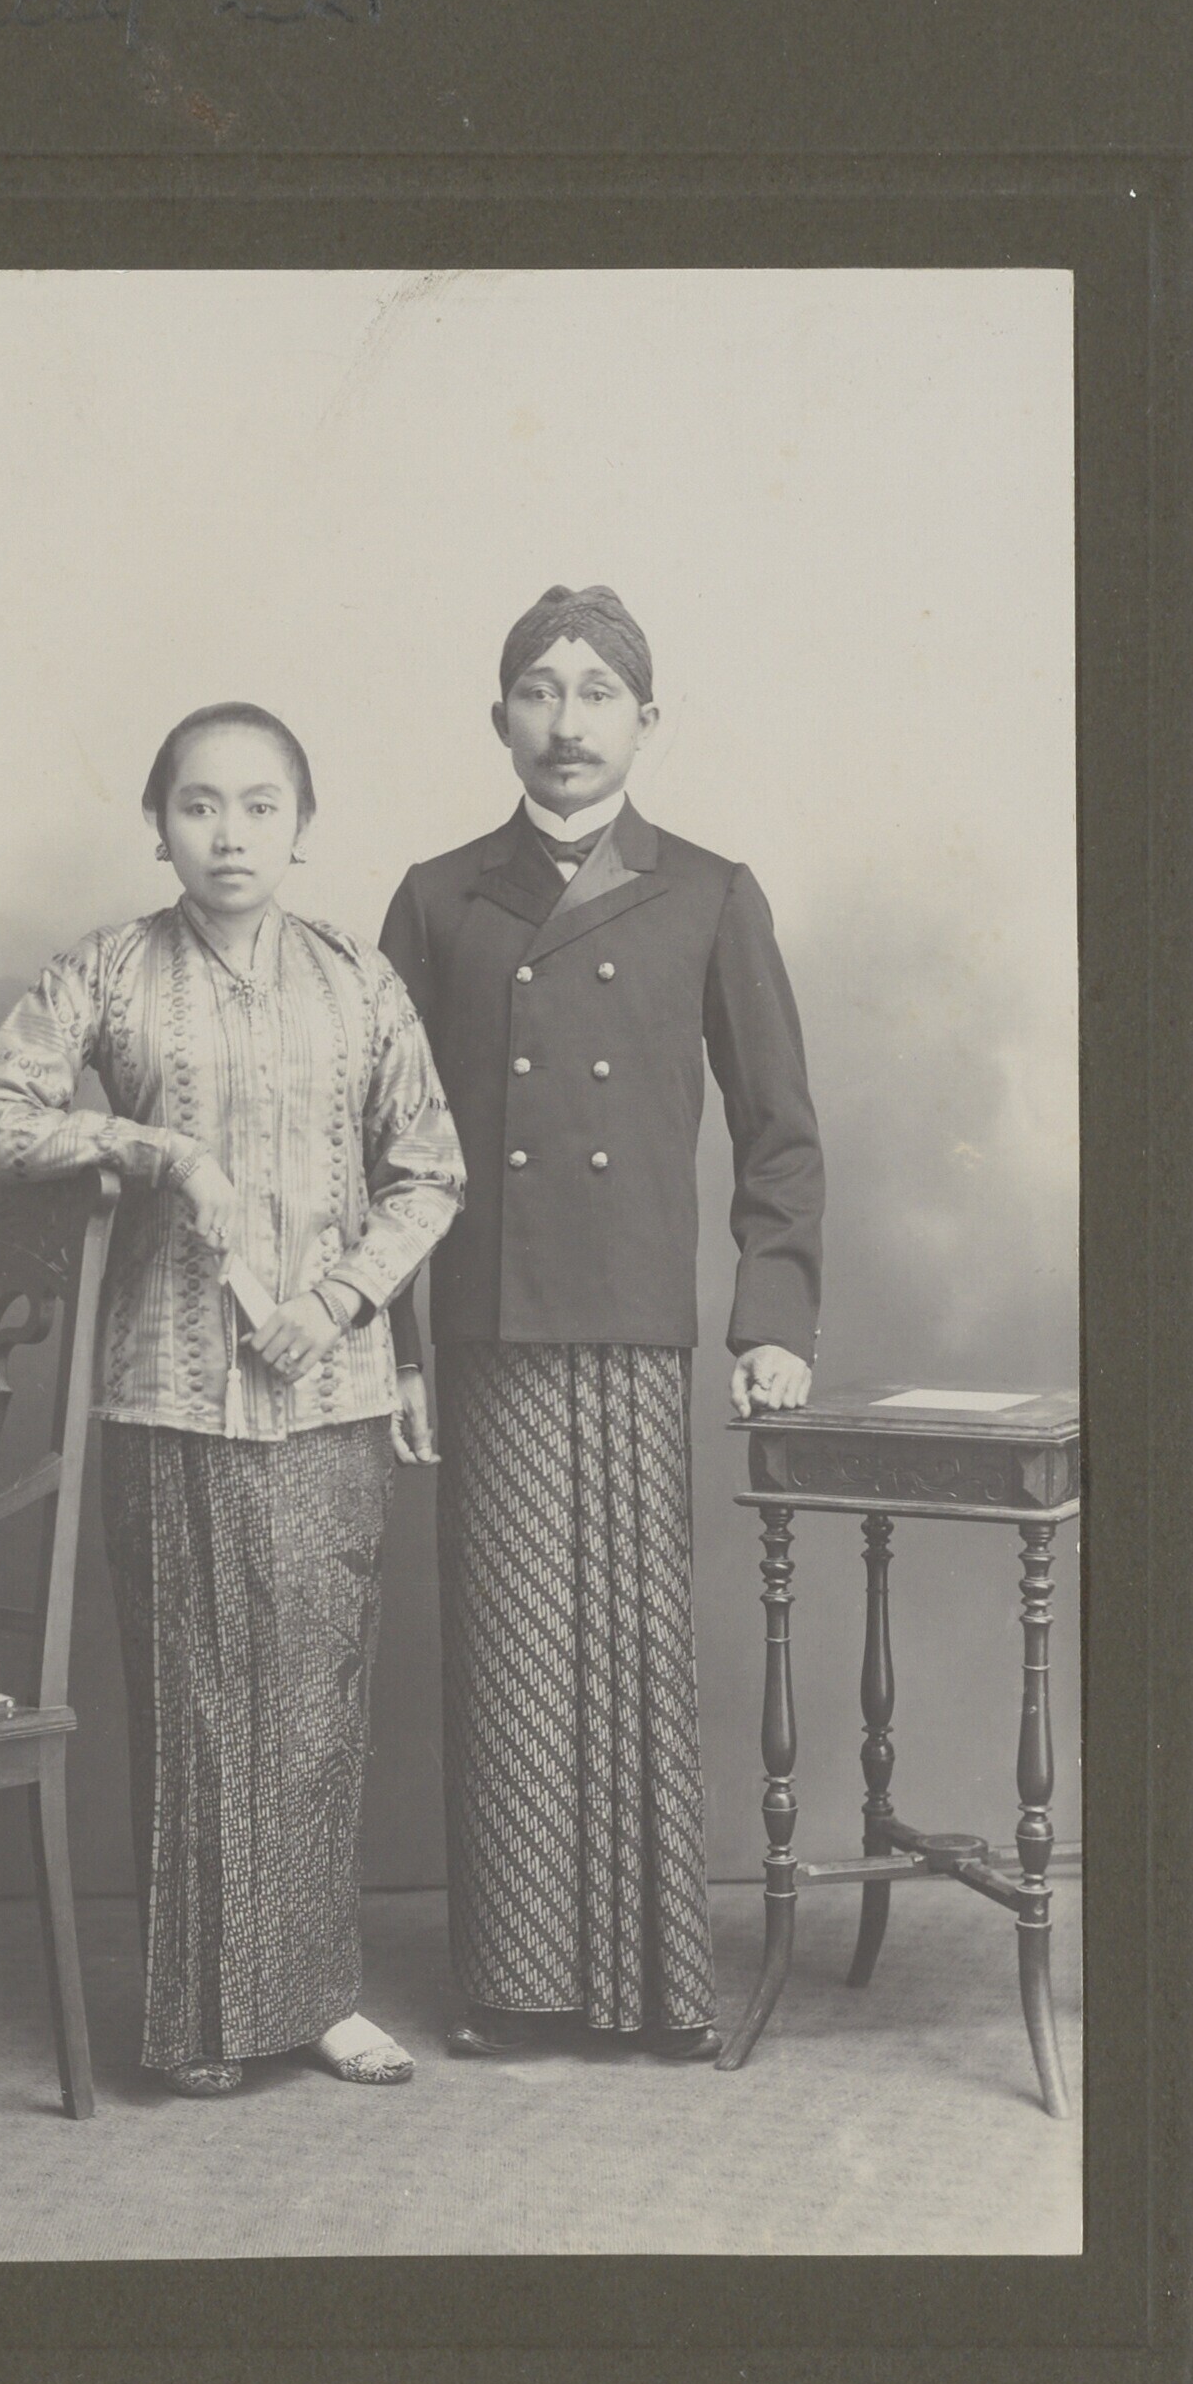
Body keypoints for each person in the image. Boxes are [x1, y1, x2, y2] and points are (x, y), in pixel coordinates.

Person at [0, 704, 464, 2099]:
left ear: (301, 825)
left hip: (330, 1392)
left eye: (258, 806)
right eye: (198, 805)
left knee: (315, 1706)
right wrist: (156, 1148)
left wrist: (342, 1300)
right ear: (157, 823)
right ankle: (199, 2021)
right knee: (193, 1711)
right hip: (166, 1393)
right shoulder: (107, 970)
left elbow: (430, 1173)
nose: (229, 834)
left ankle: (320, 2002)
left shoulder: (359, 980)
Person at [379, 586, 824, 2061]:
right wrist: (393, 1348)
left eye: (595, 693)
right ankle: (516, 1987)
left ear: (646, 719)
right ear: (498, 715)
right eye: (537, 691)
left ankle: (649, 1984)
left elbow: (778, 1131)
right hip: (488, 1322)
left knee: (635, 1651)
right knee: (511, 1660)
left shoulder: (709, 891)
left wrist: (772, 1318)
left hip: (635, 1313)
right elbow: (375, 1152)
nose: (565, 723)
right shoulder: (437, 899)